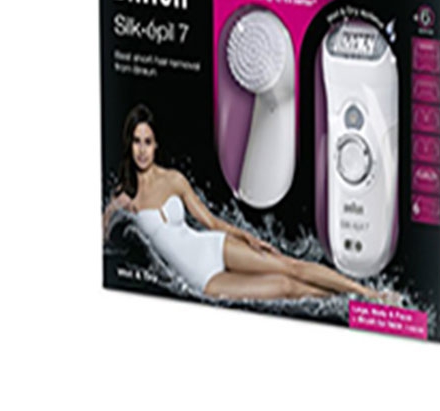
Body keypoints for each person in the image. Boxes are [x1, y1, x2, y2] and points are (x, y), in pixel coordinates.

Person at [103, 104, 384, 301]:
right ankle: (348, 305)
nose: (142, 150)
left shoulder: (174, 179)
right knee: (286, 287)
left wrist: (248, 238)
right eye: (137, 142)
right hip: (203, 280)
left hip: (213, 246)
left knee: (290, 266)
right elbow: (105, 226)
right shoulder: (126, 196)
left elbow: (210, 222)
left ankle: (370, 295)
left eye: (148, 141)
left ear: (156, 145)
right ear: (130, 144)